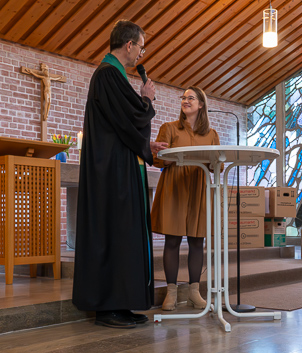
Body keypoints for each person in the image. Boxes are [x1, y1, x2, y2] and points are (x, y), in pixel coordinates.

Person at [72, 20, 167, 329]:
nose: (141, 53)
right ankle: (108, 307)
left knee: (123, 235)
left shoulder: (111, 76)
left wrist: (146, 144)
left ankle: (122, 304)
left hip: (118, 166)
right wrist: (148, 98)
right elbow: (134, 116)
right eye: (141, 47)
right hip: (111, 174)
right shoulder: (108, 75)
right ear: (129, 45)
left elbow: (123, 126)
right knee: (113, 234)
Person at [151, 86, 221, 311]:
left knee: (196, 241)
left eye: (191, 98)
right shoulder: (169, 128)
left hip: (198, 187)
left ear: (201, 105)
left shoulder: (211, 134)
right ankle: (171, 292)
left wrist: (216, 163)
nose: (186, 100)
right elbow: (156, 159)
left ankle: (194, 292)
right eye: (183, 97)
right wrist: (167, 159)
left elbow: (215, 165)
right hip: (175, 186)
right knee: (172, 240)